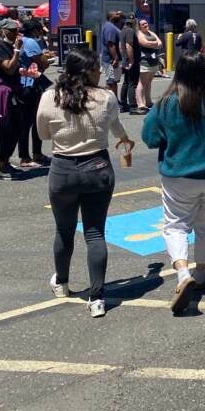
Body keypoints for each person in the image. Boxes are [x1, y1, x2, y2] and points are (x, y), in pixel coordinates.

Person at [37, 46, 133, 319]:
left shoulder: (49, 96)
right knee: (94, 233)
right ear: (87, 71)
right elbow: (116, 128)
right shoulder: (106, 97)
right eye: (96, 67)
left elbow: (43, 134)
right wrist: (125, 143)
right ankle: (97, 297)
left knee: (64, 230)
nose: (101, 71)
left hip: (63, 169)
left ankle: (63, 283)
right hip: (98, 168)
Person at [142, 53, 205, 315]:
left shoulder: (168, 103)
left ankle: (183, 272)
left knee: (176, 224)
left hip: (179, 174)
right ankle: (201, 270)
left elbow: (149, 137)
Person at [0, 19, 26, 181]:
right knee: (6, 130)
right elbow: (8, 68)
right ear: (2, 31)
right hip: (2, 92)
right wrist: (17, 50)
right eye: (12, 30)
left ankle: (5, 161)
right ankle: (0, 167)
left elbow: (14, 68)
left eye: (16, 30)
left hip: (13, 90)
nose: (16, 33)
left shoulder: (8, 46)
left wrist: (22, 70)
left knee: (17, 127)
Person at [17, 18, 52, 168]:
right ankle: (26, 156)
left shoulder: (22, 40)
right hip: (30, 85)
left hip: (25, 83)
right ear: (35, 30)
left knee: (32, 121)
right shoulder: (31, 42)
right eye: (39, 30)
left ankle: (35, 153)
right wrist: (46, 60)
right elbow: (42, 61)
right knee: (29, 122)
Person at [136, 17, 163, 111]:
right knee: (142, 83)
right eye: (143, 24)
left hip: (154, 61)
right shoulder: (139, 33)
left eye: (146, 23)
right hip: (144, 61)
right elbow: (144, 43)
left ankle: (148, 101)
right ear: (139, 26)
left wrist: (152, 43)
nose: (145, 25)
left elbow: (160, 43)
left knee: (149, 83)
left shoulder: (151, 33)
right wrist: (155, 43)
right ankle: (140, 103)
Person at [118, 15, 142, 115]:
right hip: (131, 61)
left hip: (125, 60)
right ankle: (133, 107)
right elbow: (128, 45)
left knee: (126, 83)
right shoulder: (130, 31)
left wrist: (124, 58)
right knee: (132, 83)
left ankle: (123, 105)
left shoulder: (123, 31)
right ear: (134, 21)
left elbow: (120, 46)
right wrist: (131, 60)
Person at [99, 11, 123, 99]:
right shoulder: (110, 28)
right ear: (111, 17)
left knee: (114, 81)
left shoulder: (111, 26)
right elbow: (110, 44)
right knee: (111, 81)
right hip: (111, 59)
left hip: (111, 58)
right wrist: (115, 58)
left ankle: (115, 100)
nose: (119, 15)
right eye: (116, 14)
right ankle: (108, 101)